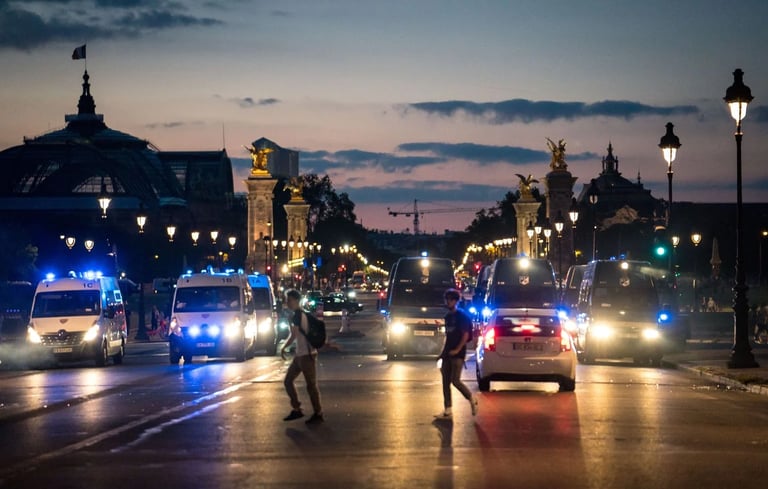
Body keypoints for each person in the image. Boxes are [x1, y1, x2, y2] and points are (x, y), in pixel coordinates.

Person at [280, 289, 324, 424]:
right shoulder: (300, 314)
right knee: (289, 381)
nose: (287, 302)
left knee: (310, 385)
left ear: (295, 301)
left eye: (289, 300)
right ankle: (297, 408)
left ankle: (318, 413)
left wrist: (283, 347)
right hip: (300, 355)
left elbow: (293, 335)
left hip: (307, 355)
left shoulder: (298, 316)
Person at [436, 288, 478, 418]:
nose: (447, 302)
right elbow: (448, 337)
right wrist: (442, 353)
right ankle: (447, 409)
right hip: (448, 353)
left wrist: (458, 350)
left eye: (449, 300)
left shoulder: (462, 317)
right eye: (446, 299)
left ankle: (471, 399)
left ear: (455, 301)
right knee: (445, 382)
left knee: (456, 381)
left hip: (458, 354)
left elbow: (465, 335)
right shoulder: (448, 317)